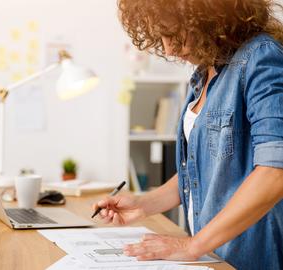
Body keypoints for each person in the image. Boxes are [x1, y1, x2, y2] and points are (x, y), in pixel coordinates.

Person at [93, 0, 283, 269]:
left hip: (249, 258)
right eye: (162, 37)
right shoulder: (203, 75)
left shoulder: (261, 57)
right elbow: (203, 168)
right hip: (214, 256)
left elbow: (275, 172)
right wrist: (143, 204)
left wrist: (192, 246)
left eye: (174, 34)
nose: (169, 48)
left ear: (210, 17)